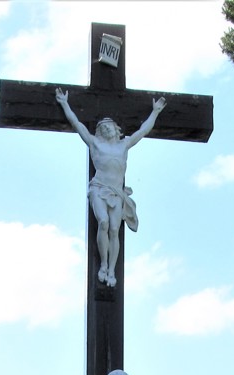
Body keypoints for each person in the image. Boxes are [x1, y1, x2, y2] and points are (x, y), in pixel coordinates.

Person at [55, 88, 166, 287]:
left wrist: (155, 111)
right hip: (99, 188)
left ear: (116, 129)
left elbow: (143, 131)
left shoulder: (124, 145)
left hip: (117, 193)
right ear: (99, 131)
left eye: (109, 127)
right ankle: (103, 265)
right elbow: (76, 124)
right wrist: (64, 103)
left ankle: (112, 269)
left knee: (115, 229)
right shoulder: (95, 143)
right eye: (103, 128)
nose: (107, 130)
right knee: (103, 223)